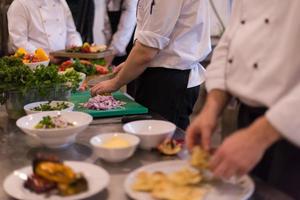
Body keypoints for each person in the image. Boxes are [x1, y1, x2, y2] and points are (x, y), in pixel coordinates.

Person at [186, 1, 300, 199]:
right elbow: (230, 40)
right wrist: (211, 109)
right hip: (247, 119)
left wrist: (258, 137)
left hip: (290, 130)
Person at [91, 0, 211, 130]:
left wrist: (115, 82)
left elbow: (146, 51)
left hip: (167, 83)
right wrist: (130, 64)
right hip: (162, 75)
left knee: (161, 143)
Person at [7, 0, 82, 55]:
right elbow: (19, 42)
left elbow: (71, 33)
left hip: (64, 63)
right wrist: (46, 58)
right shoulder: (20, 4)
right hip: (36, 67)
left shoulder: (62, 2)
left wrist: (78, 48)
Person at [103, 0, 138, 67]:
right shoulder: (109, 2)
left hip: (130, 50)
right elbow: (107, 28)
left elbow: (124, 31)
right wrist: (106, 50)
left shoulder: (131, 2)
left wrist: (109, 55)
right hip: (113, 49)